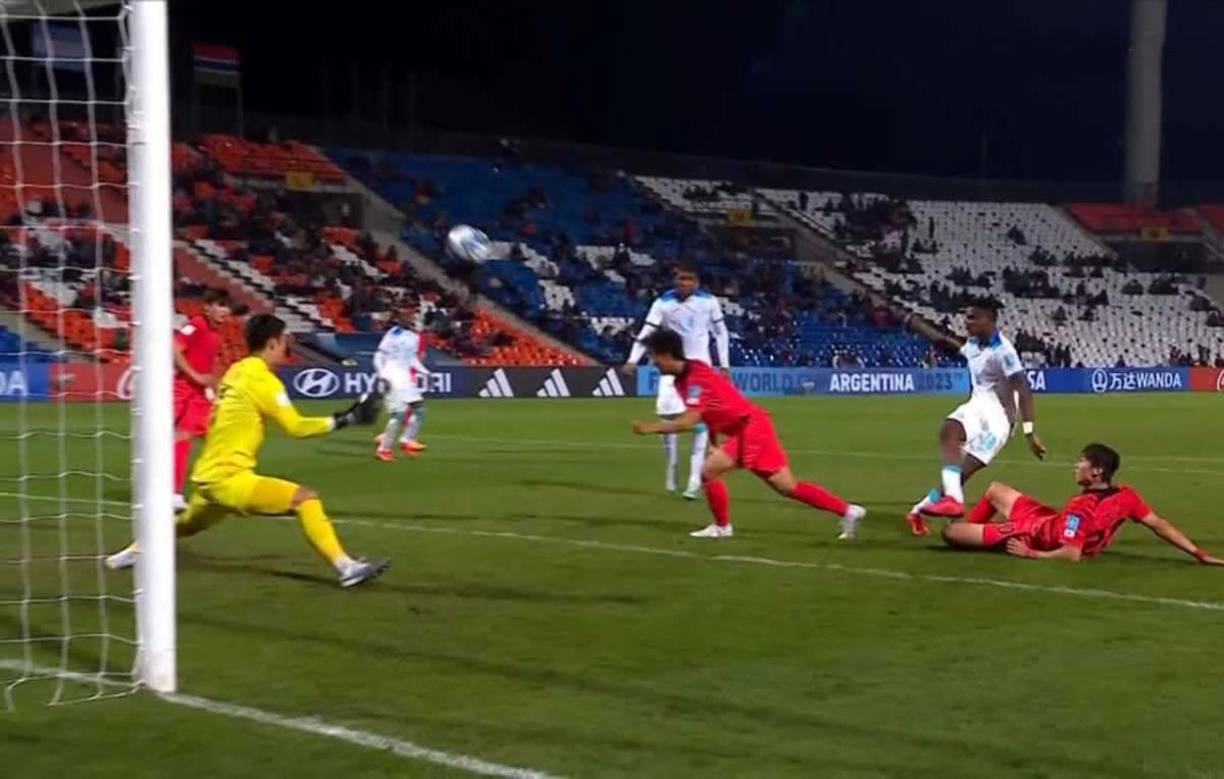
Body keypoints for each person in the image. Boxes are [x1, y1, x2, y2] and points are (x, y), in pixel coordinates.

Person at [106, 314, 390, 588]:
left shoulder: (236, 370)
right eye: (284, 343)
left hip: (208, 475)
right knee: (305, 499)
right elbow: (296, 427)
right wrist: (345, 419)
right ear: (272, 344)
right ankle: (347, 568)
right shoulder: (263, 380)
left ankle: (129, 553)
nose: (286, 349)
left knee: (186, 525)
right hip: (230, 477)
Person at [631, 329, 864, 539]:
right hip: (755, 425)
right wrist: (713, 442)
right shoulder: (686, 377)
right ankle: (848, 511)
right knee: (787, 487)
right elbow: (705, 412)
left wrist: (651, 427)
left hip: (750, 428)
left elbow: (689, 420)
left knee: (708, 472)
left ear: (668, 353)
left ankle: (722, 527)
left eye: (654, 356)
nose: (652, 362)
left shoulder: (694, 378)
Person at [942, 443, 1224, 565]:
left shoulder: (1081, 508)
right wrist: (1198, 553)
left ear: (1097, 471)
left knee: (950, 533)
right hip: (1050, 520)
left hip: (1033, 534)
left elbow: (1071, 553)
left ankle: (987, 536)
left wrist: (1031, 554)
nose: (1076, 466)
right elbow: (1159, 525)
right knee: (995, 490)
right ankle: (978, 531)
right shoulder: (1126, 497)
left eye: (1082, 462)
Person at [902, 298, 1046, 535]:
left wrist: (1030, 432)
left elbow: (1024, 389)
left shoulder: (1003, 351)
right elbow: (949, 343)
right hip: (979, 406)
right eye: (966, 317)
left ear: (988, 320)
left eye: (972, 317)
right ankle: (952, 503)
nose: (966, 322)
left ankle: (919, 511)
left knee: (961, 472)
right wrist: (920, 326)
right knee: (949, 429)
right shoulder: (974, 344)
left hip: (999, 420)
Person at [624, 262, 731, 499]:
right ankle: (671, 475)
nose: (684, 283)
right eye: (680, 278)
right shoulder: (663, 303)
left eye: (689, 279)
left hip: (700, 372)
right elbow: (647, 332)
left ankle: (693, 482)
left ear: (697, 282)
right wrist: (633, 359)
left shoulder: (709, 302)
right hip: (672, 372)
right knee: (668, 421)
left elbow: (720, 334)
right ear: (675, 280)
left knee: (700, 425)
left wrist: (724, 365)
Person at [172, 288, 234, 511]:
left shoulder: (217, 334)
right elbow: (174, 348)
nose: (224, 310)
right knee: (182, 439)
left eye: (226, 306)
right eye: (219, 305)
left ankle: (222, 486)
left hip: (200, 394)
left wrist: (215, 387)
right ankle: (173, 493)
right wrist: (195, 375)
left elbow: (209, 365)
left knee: (218, 437)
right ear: (206, 307)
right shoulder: (197, 324)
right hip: (184, 390)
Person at [373, 307, 431, 462]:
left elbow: (411, 358)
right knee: (398, 414)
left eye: (412, 317)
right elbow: (379, 355)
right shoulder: (393, 334)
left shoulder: (414, 337)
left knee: (419, 409)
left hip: (404, 376)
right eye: (408, 317)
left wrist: (425, 372)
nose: (412, 320)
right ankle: (384, 449)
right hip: (391, 374)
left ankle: (407, 440)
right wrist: (381, 375)